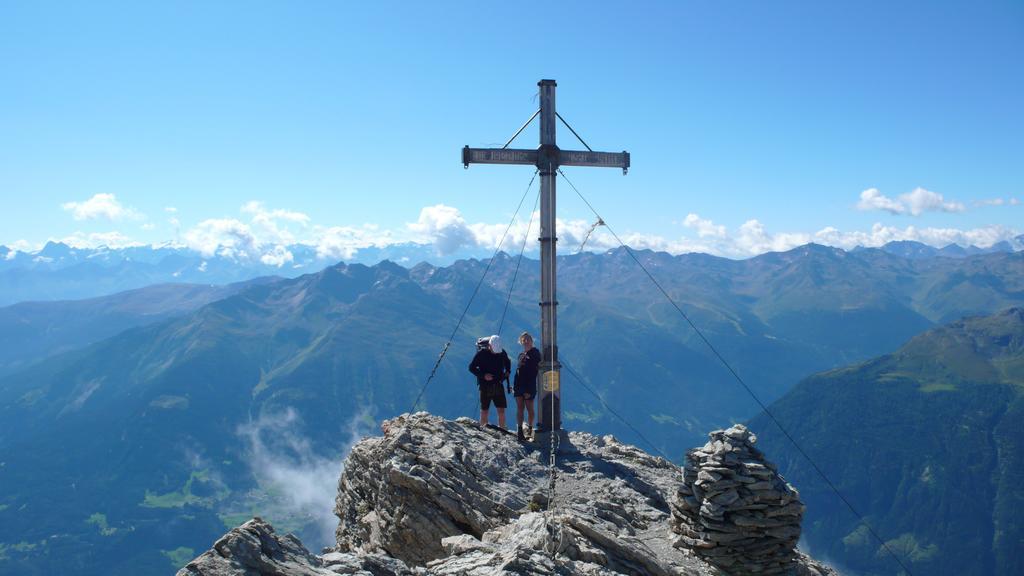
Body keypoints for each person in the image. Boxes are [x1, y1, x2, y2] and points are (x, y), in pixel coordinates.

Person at [468, 334, 511, 429]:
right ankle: (483, 429)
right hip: (485, 385)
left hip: (498, 383)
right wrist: (484, 375)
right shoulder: (481, 354)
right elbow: (471, 368)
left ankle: (502, 429)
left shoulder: (501, 352)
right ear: (489, 345)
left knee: (501, 410)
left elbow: (508, 362)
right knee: (484, 410)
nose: (496, 353)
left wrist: (508, 371)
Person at [513, 331, 541, 442]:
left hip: (529, 386)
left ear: (531, 341)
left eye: (527, 339)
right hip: (519, 385)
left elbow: (533, 373)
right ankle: (520, 431)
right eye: (523, 340)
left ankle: (530, 428)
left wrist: (528, 389)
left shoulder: (535, 354)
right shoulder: (521, 355)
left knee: (529, 408)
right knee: (520, 408)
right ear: (521, 342)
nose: (525, 342)